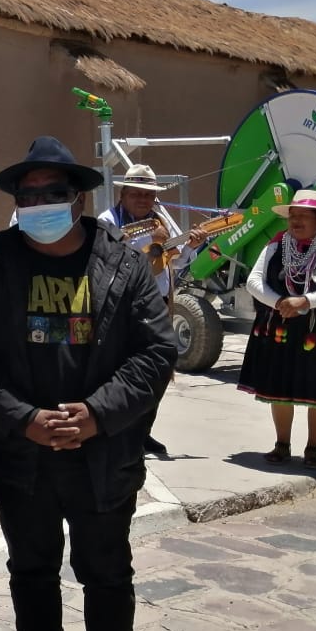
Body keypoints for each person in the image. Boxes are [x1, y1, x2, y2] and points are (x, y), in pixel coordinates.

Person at [0, 136, 175, 631]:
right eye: (28, 195)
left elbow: (158, 350)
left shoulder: (124, 266)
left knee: (106, 574)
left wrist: (97, 415)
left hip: (102, 456)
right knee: (32, 567)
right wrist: (21, 419)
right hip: (22, 455)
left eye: (52, 193)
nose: (38, 203)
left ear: (77, 199)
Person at [98, 163, 206, 456]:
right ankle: (118, 430)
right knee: (121, 371)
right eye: (137, 194)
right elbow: (103, 262)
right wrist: (151, 245)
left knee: (157, 370)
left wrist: (191, 246)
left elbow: (175, 263)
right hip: (120, 308)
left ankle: (143, 432)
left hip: (158, 305)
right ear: (123, 194)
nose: (144, 200)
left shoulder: (161, 221)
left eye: (149, 195)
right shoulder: (107, 221)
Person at [238, 188, 316, 466]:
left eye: (303, 216)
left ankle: (313, 449)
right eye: (292, 216)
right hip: (280, 326)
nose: (295, 222)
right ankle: (282, 444)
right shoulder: (276, 245)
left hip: (315, 328)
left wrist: (306, 301)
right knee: (280, 388)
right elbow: (254, 281)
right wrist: (280, 303)